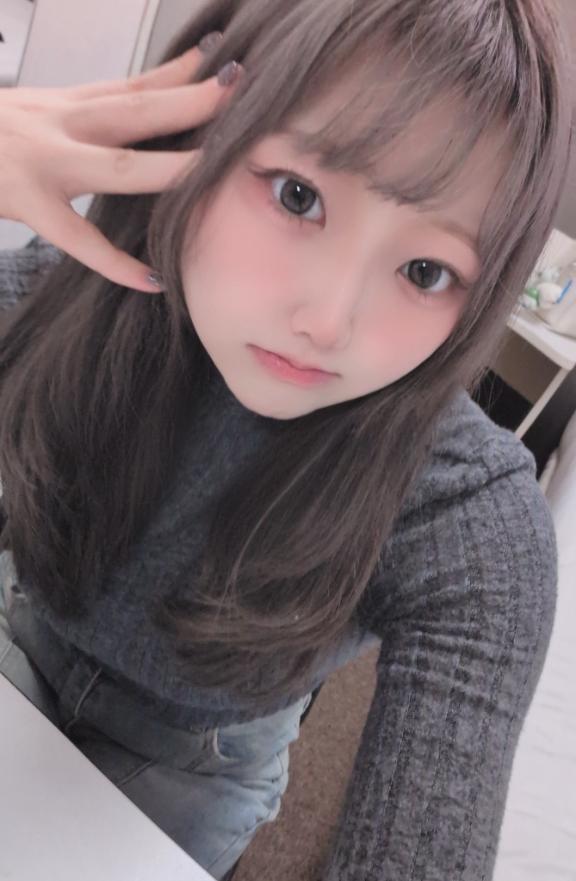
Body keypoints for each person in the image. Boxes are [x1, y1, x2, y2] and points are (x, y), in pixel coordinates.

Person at [0, 0, 571, 879]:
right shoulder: (63, 293)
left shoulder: (466, 515)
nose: (329, 321)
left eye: (426, 271)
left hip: (200, 768)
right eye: (298, 195)